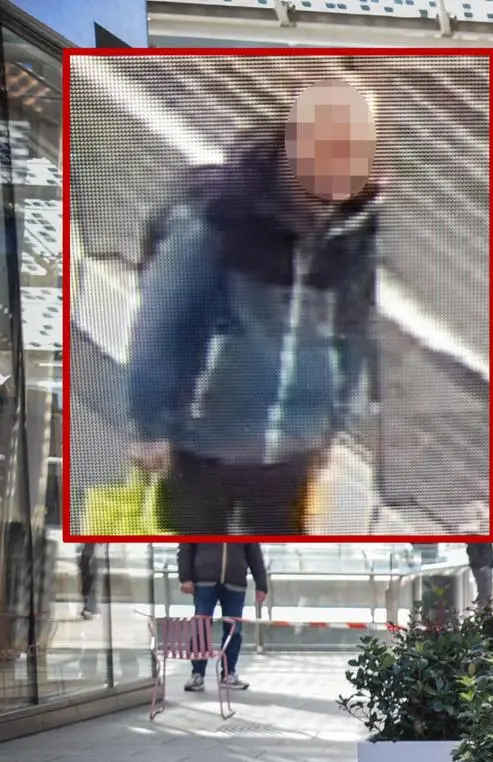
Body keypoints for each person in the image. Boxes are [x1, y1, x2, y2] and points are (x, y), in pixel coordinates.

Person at [127, 81, 381, 536]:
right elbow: (163, 323)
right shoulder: (217, 217)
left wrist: (332, 425)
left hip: (295, 447)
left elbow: (353, 333)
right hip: (203, 442)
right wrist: (152, 425)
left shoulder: (352, 230)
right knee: (195, 560)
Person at [177, 541, 269, 692]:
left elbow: (254, 552)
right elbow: (186, 547)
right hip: (204, 581)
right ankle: (197, 674)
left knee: (234, 630)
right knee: (201, 628)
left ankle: (229, 673)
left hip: (235, 582)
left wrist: (261, 584)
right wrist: (185, 577)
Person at [465, 540, 493, 613]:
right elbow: (472, 546)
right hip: (482, 565)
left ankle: (483, 614)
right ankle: (483, 615)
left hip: (485, 564)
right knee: (485, 595)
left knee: (485, 594)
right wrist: (480, 564)